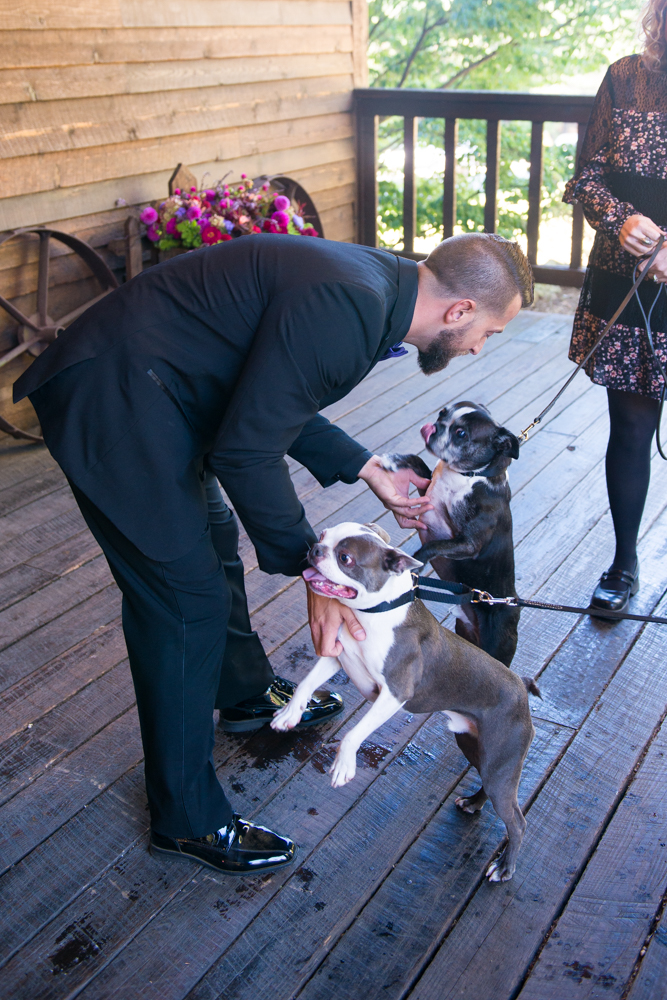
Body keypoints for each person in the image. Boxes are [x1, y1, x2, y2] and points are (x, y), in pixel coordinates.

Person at [13, 231, 532, 876]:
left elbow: (270, 398)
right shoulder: (351, 310)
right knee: (184, 603)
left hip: (170, 393)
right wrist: (321, 575)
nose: (480, 348)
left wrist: (367, 466)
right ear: (458, 312)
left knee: (216, 538)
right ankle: (186, 819)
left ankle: (245, 692)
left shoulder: (375, 291)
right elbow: (247, 450)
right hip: (118, 399)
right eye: (488, 332)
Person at [563, 0, 667, 613]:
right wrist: (619, 218)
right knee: (630, 429)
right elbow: (587, 175)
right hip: (623, 286)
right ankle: (624, 562)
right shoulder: (625, 75)